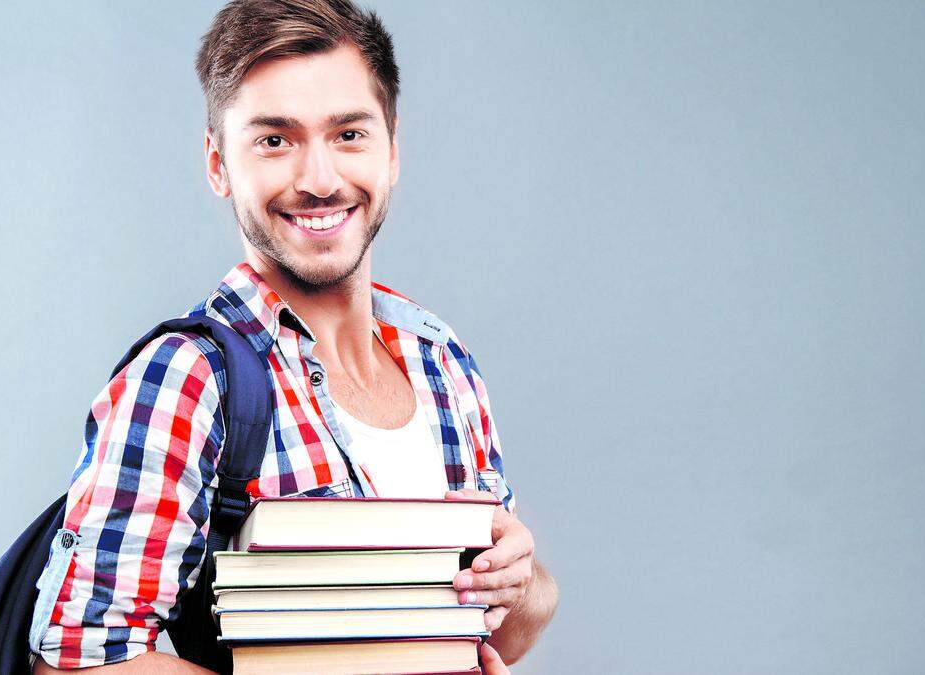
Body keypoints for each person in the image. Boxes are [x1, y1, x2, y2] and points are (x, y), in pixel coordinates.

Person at [31, 1, 558, 672]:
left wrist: (520, 577)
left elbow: (492, 630)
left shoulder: (442, 363)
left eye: (349, 135)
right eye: (274, 140)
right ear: (219, 162)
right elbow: (75, 661)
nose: (318, 180)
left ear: (392, 150)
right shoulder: (189, 378)